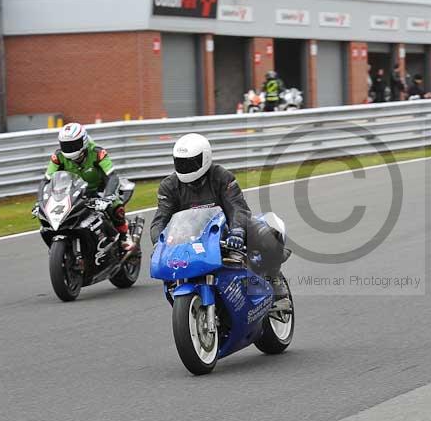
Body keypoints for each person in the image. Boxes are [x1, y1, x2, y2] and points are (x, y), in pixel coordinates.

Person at [149, 134, 288, 294]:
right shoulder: (169, 186)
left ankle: (274, 277)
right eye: (180, 162)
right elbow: (160, 219)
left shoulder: (222, 176)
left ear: (205, 157)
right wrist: (158, 243)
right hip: (191, 237)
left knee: (267, 235)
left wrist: (237, 230)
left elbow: (237, 207)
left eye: (190, 162)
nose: (185, 167)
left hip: (228, 229)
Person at [43, 123, 133, 249]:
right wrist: (41, 201)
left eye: (73, 144)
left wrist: (107, 197)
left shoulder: (97, 152)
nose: (70, 148)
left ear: (83, 141)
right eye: (66, 145)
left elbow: (112, 176)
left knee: (115, 206)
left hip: (99, 189)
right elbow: (46, 181)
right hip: (74, 192)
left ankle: (124, 235)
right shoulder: (58, 157)